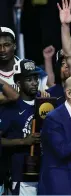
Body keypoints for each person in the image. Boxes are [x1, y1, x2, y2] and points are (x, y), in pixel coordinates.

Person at [0, 59, 44, 195]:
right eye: (29, 79)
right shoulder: (10, 109)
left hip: (46, 173)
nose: (34, 83)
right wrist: (24, 141)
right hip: (21, 176)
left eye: (36, 78)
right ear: (18, 83)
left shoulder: (46, 102)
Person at [0, 27, 48, 91]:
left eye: (6, 45)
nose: (2, 50)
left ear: (14, 46)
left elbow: (46, 96)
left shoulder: (31, 68)